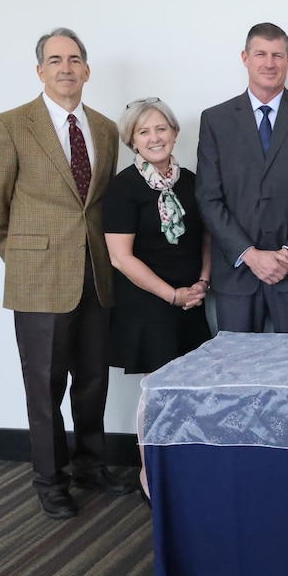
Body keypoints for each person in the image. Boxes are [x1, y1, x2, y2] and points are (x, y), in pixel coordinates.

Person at [0, 27, 133, 519]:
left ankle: (91, 465)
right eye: (55, 60)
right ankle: (49, 480)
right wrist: (23, 259)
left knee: (92, 382)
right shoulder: (10, 125)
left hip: (96, 275)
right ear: (40, 70)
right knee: (44, 387)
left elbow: (102, 202)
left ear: (87, 70)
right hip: (39, 278)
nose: (65, 68)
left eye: (74, 60)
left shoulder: (106, 128)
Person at [104, 98, 212, 503]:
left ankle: (187, 467)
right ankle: (151, 475)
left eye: (161, 129)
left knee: (192, 390)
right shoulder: (124, 187)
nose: (155, 137)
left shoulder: (191, 181)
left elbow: (205, 237)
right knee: (157, 393)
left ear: (174, 133)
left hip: (191, 302)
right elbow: (120, 257)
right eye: (144, 131)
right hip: (149, 306)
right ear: (132, 140)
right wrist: (171, 294)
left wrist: (202, 282)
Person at [195, 22, 288, 334]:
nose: (269, 63)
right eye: (261, 54)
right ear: (245, 57)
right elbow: (208, 197)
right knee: (237, 376)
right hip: (237, 272)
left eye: (278, 55)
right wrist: (249, 254)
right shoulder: (215, 120)